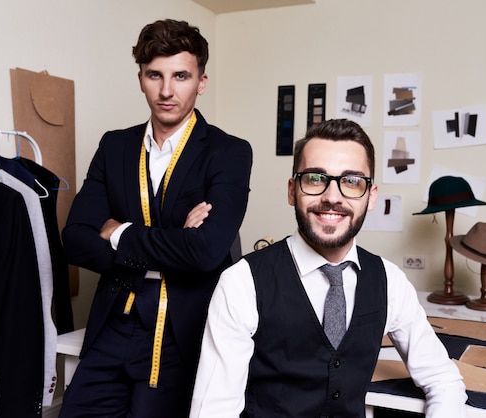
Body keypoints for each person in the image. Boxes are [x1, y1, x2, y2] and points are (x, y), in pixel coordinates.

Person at [189, 119, 467, 417]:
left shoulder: (390, 281)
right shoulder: (241, 283)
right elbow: (213, 411)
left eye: (351, 181)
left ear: (371, 196)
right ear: (292, 190)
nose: (332, 197)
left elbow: (443, 379)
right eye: (315, 178)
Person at [59, 19, 252, 418]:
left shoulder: (228, 152)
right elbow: (75, 239)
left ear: (201, 81)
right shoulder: (115, 146)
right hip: (113, 319)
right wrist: (173, 241)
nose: (167, 91)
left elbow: (205, 251)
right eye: (155, 75)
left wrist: (119, 232)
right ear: (141, 78)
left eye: (181, 76)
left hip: (179, 332)